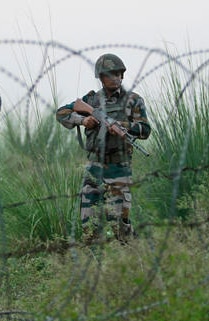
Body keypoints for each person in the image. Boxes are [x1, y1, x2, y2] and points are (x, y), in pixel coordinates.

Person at [56, 53, 151, 243]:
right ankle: (93, 264)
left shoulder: (133, 100)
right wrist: (84, 120)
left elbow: (145, 130)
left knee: (118, 223)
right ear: (101, 76)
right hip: (94, 168)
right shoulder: (90, 101)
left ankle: (135, 257)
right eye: (111, 74)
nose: (116, 77)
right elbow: (62, 113)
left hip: (119, 167)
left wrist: (122, 126)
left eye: (119, 73)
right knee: (88, 221)